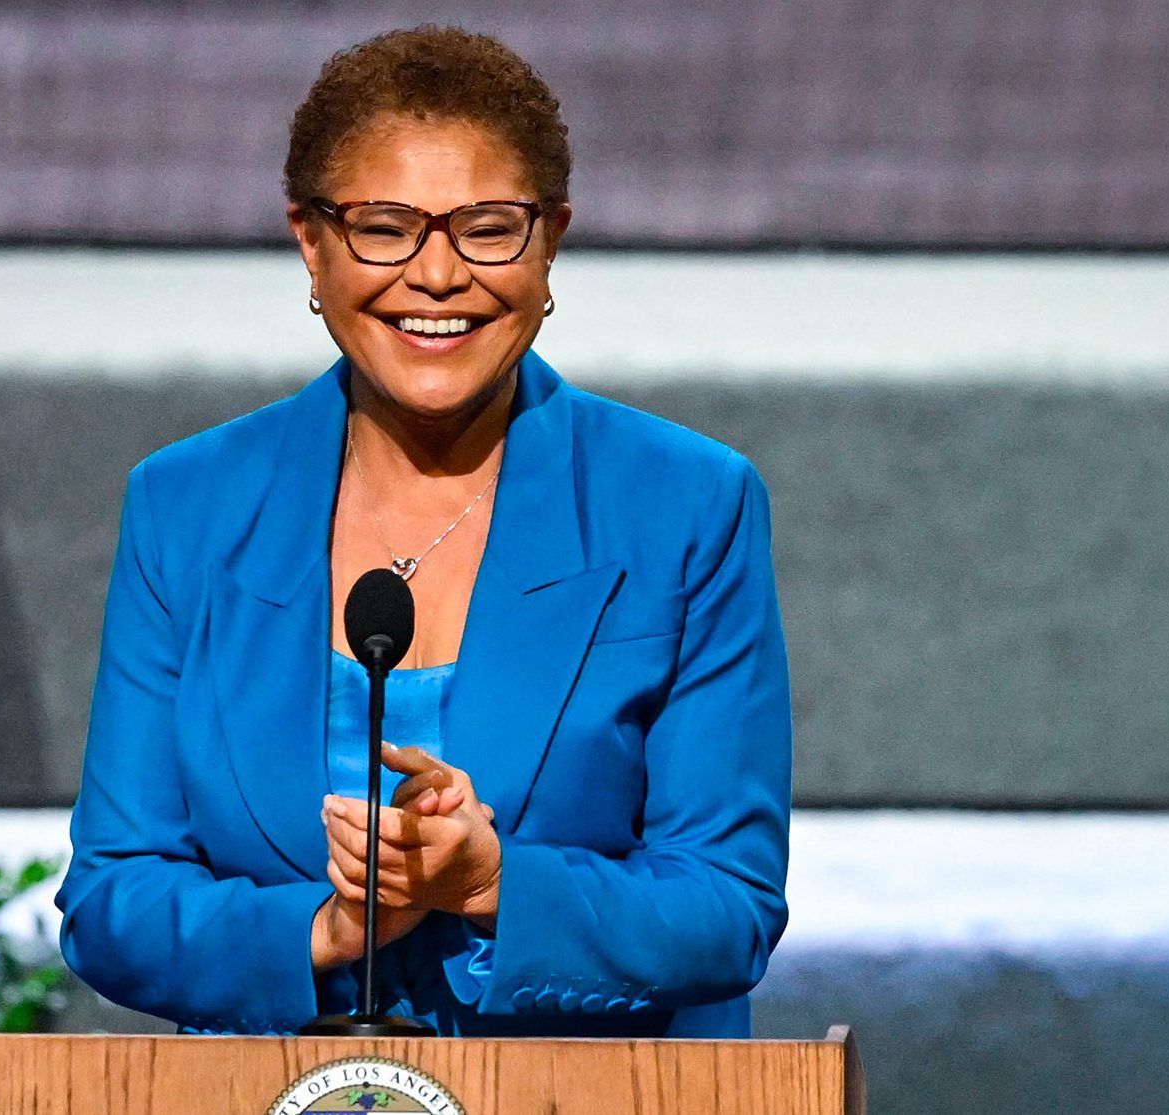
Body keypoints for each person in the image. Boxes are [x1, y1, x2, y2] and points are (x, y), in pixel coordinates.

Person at [55, 25, 792, 1038]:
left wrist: (494, 885)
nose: (437, 275)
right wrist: (325, 926)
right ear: (309, 242)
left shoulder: (685, 505)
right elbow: (112, 901)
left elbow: (725, 906)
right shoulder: (186, 506)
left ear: (549, 243)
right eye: (384, 226)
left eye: (487, 227)